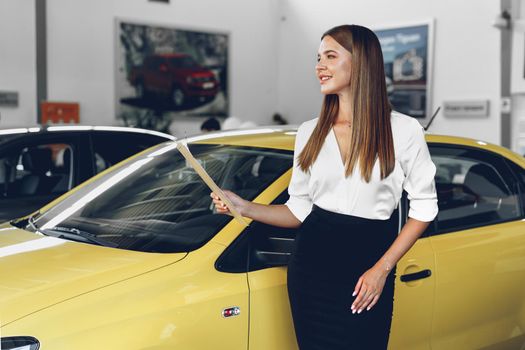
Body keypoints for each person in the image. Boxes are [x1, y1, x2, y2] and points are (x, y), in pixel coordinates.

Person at [210, 24, 438, 349]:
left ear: (361, 62)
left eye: (330, 56)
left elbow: (425, 208)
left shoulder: (403, 130)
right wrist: (243, 206)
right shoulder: (309, 132)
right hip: (311, 266)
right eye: (318, 57)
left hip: (369, 264)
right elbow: (298, 209)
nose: (319, 66)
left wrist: (382, 269)